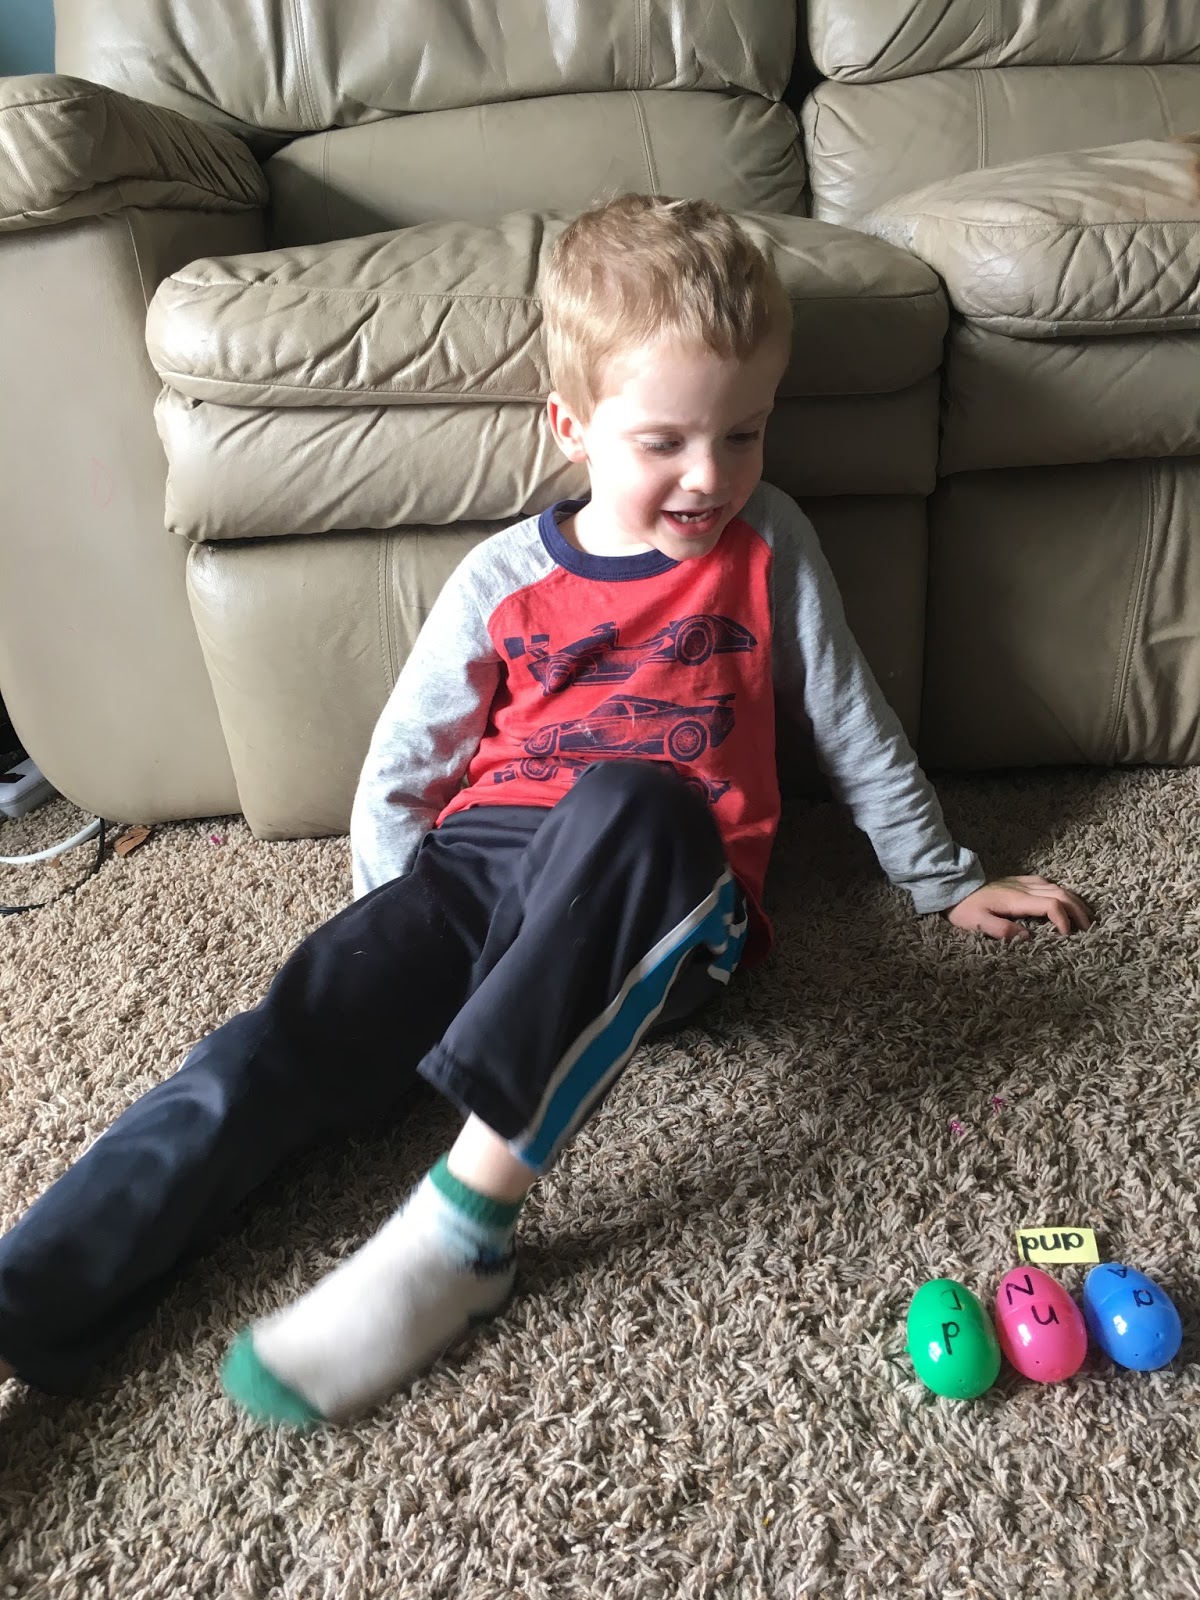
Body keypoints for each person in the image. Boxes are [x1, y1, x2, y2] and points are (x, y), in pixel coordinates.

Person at [0, 194, 1090, 1427]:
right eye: (665, 440)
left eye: (744, 433)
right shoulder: (505, 575)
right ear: (572, 427)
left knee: (636, 799)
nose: (711, 474)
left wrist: (945, 877)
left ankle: (465, 1231)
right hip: (475, 874)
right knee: (270, 1042)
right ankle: (30, 1296)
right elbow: (404, 766)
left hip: (666, 895)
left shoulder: (768, 545)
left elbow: (850, 718)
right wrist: (395, 929)